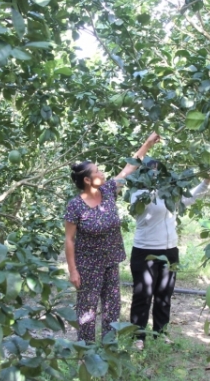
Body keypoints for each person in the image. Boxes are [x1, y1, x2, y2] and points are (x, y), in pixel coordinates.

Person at [63, 132, 161, 343]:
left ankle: (109, 349)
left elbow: (128, 168)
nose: (102, 172)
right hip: (87, 265)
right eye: (97, 171)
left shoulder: (108, 191)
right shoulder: (75, 205)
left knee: (112, 306)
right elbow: (69, 240)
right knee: (87, 309)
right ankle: (86, 351)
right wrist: (72, 270)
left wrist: (147, 144)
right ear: (88, 180)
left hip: (110, 261)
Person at [129, 165, 210, 349]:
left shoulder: (171, 193)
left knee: (164, 295)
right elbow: (139, 209)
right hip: (146, 251)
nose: (156, 174)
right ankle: (138, 336)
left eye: (159, 172)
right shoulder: (138, 194)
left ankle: (160, 333)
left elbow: (190, 197)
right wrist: (156, 188)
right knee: (143, 295)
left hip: (169, 251)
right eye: (152, 171)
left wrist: (206, 181)